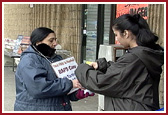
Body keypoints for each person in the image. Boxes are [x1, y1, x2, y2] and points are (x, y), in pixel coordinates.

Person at [75, 14, 164, 111]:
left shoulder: (133, 58)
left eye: (116, 35)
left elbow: (101, 82)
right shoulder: (143, 54)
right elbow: (124, 73)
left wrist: (82, 69)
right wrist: (102, 65)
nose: (116, 39)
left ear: (125, 33)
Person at [14, 27, 94, 111]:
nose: (55, 43)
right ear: (38, 42)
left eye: (55, 40)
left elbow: (63, 87)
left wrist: (77, 92)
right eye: (51, 40)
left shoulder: (57, 58)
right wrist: (70, 84)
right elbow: (38, 88)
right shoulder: (29, 60)